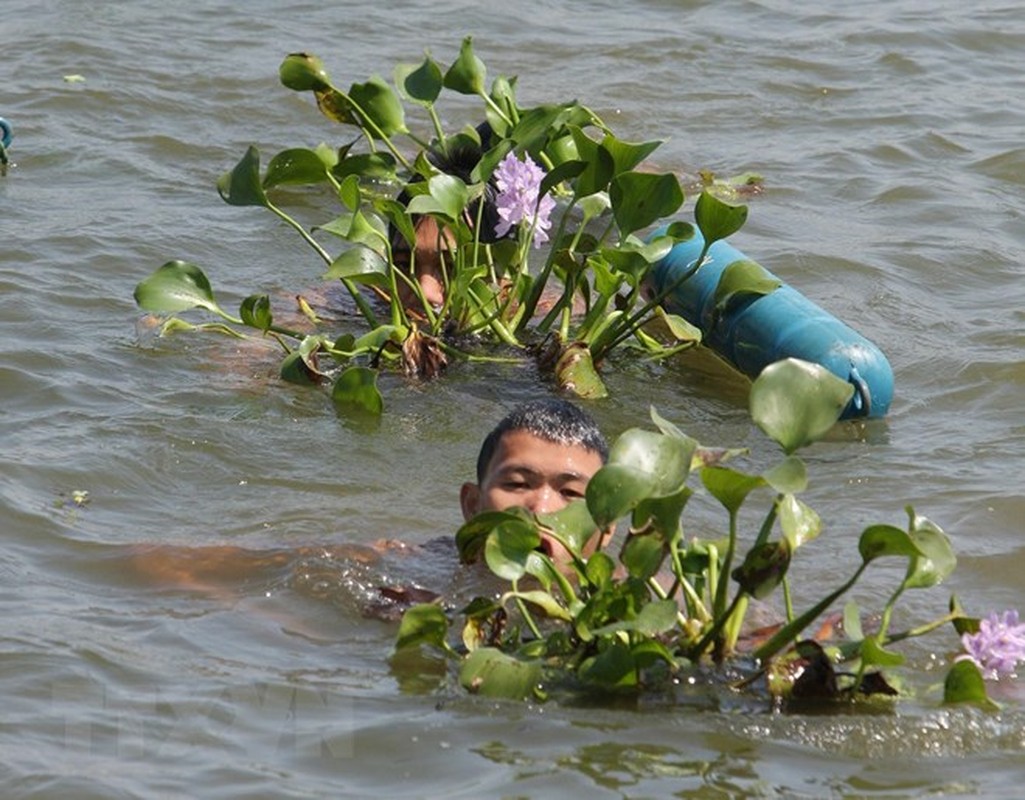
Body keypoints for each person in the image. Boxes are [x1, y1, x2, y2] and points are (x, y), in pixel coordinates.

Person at [126, 399, 609, 607]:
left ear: (607, 528)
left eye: (570, 493)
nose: (541, 507)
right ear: (471, 505)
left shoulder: (651, 599)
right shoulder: (421, 566)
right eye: (518, 482)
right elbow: (182, 566)